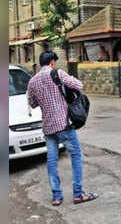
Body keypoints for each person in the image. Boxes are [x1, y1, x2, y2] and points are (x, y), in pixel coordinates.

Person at [27, 51, 98, 206]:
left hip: (48, 126)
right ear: (52, 62)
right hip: (63, 124)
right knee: (76, 155)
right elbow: (79, 85)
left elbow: (32, 104)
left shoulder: (32, 81)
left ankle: (57, 196)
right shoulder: (57, 73)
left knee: (52, 160)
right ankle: (78, 193)